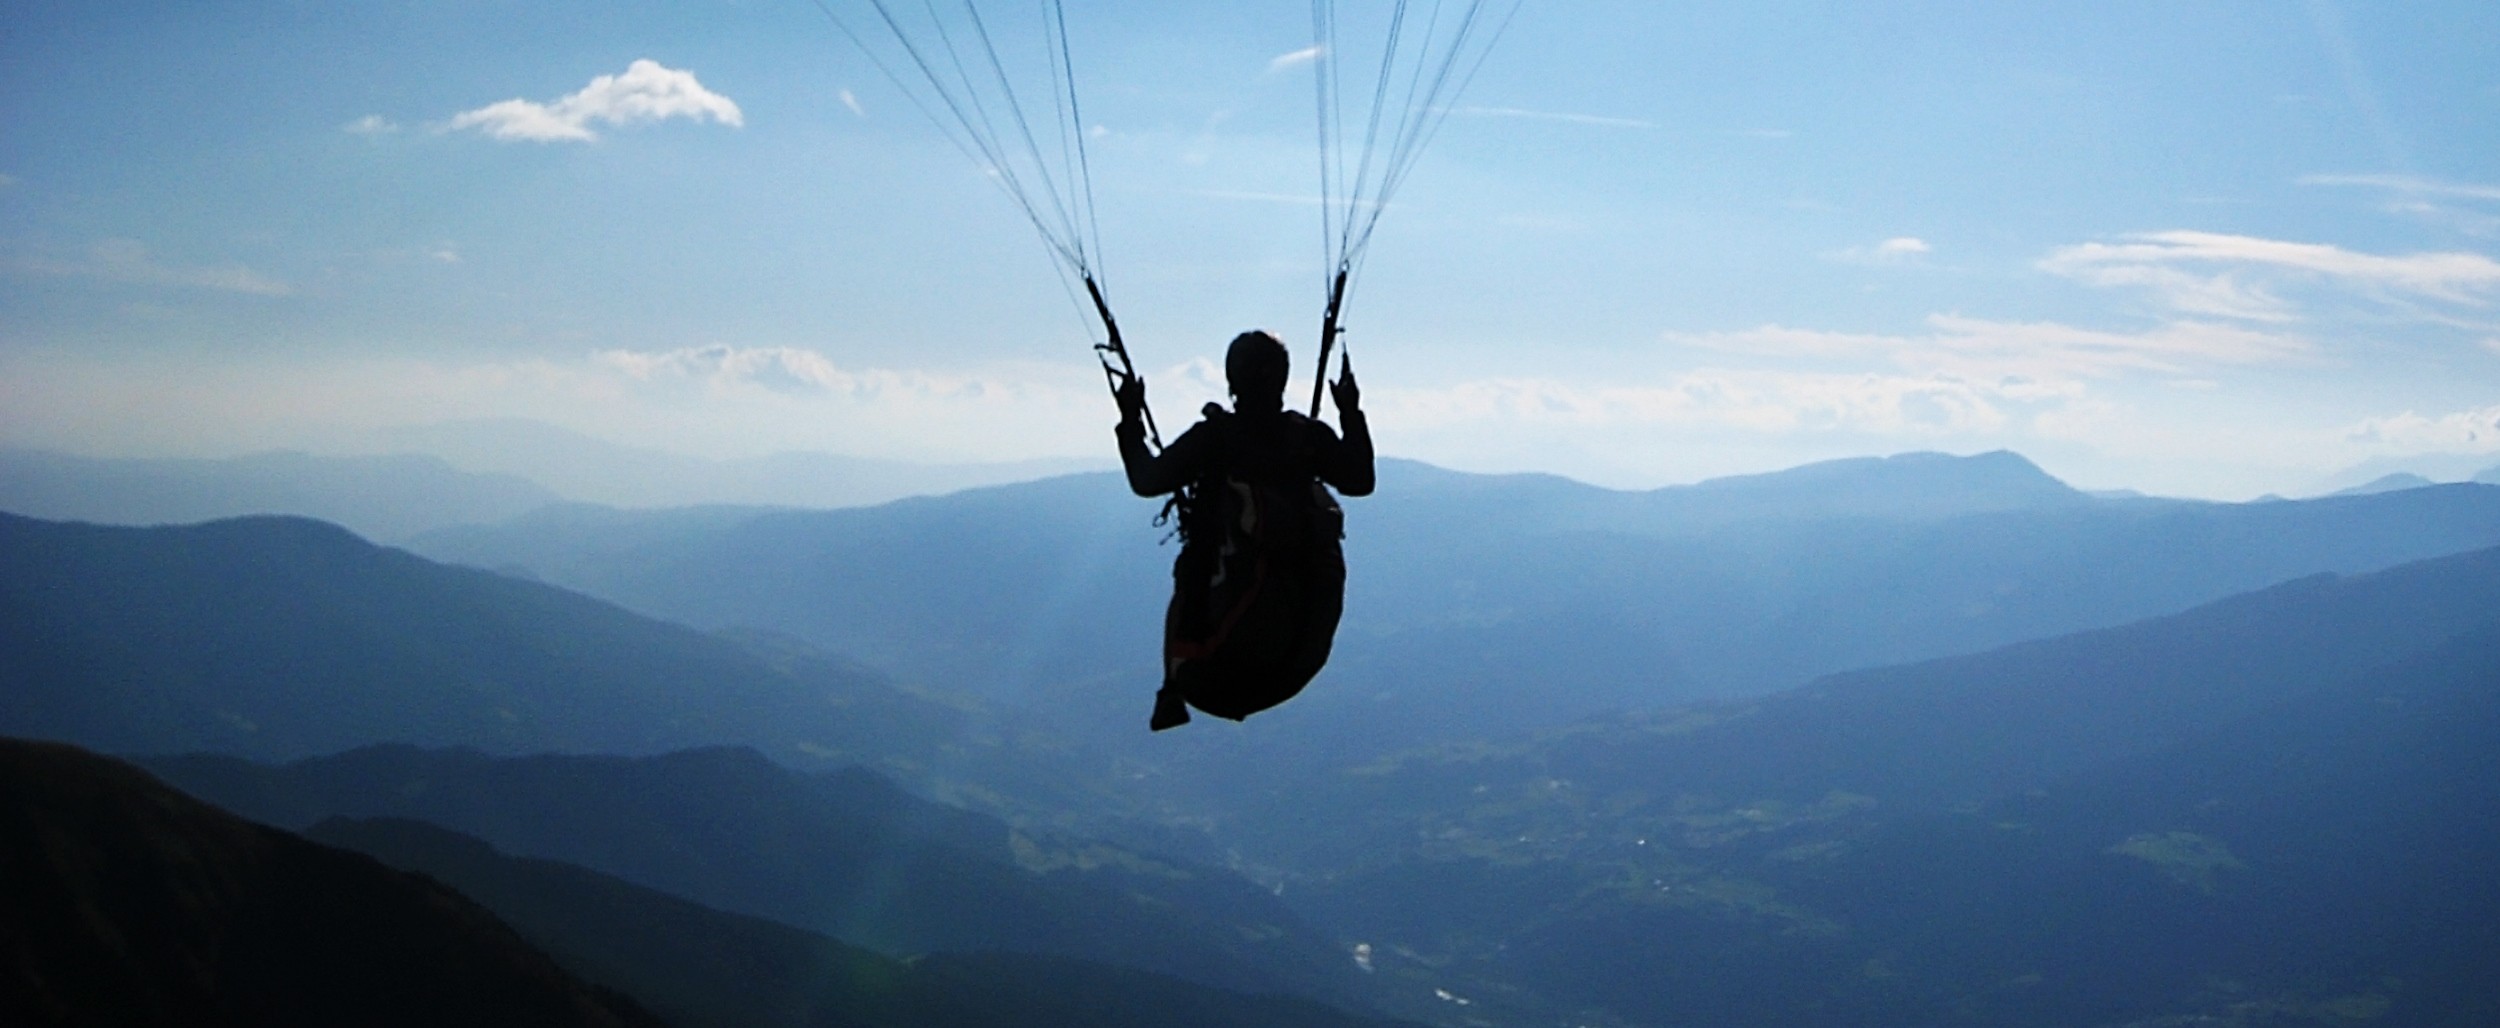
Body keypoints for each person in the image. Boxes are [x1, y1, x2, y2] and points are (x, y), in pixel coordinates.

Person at [1115, 330, 1374, 731]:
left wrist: (1130, 418)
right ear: (1283, 381)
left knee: (1192, 568)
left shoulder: (1215, 439)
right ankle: (1173, 685)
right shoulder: (1307, 438)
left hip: (1209, 673)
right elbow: (1360, 480)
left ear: (1232, 381)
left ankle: (1171, 686)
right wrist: (1350, 413)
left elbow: (1146, 480)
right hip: (1294, 661)